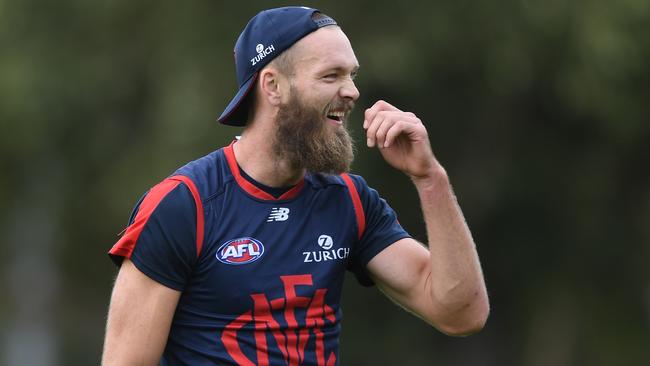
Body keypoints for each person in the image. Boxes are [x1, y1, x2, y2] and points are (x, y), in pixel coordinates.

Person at [102, 6, 489, 366]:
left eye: (352, 74)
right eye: (331, 75)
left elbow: (461, 312)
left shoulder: (350, 201)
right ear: (272, 86)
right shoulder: (184, 206)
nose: (352, 91)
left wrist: (429, 178)